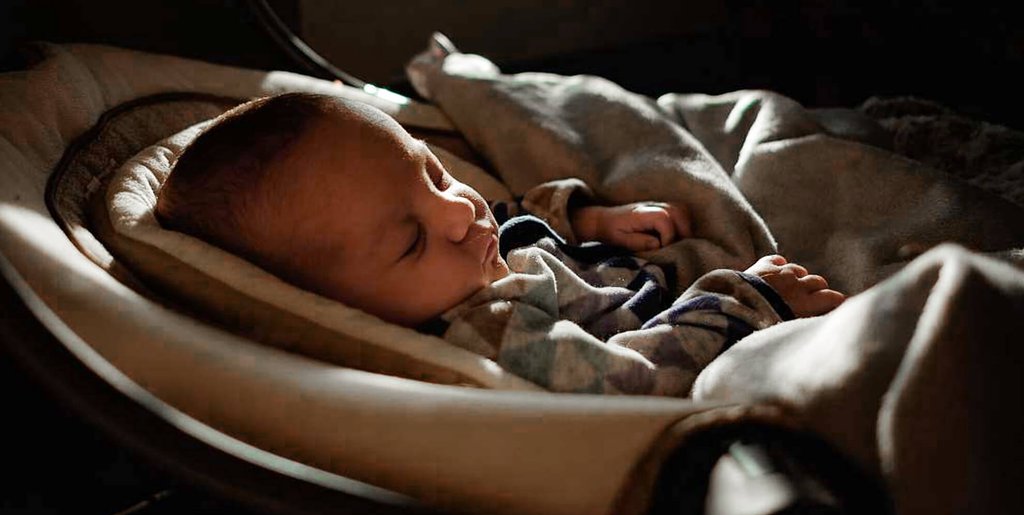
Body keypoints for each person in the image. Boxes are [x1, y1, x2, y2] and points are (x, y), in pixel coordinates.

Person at [156, 91, 844, 396]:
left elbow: (509, 218)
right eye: (409, 243)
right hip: (683, 313)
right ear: (338, 306)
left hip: (628, 259)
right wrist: (745, 299)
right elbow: (634, 380)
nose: (458, 209)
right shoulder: (491, 331)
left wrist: (588, 220)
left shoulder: (459, 253)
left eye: (431, 171)